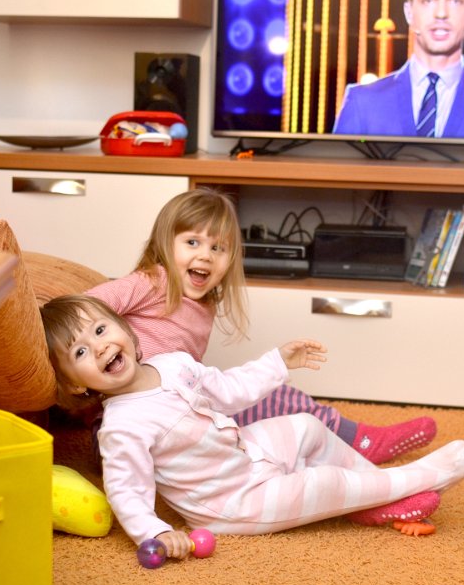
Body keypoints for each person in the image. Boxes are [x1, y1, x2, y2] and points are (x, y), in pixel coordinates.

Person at [41, 294, 464, 553]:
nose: (98, 348)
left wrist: (277, 362)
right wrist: (155, 532)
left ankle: (373, 498)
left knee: (305, 425)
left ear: (126, 331)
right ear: (76, 385)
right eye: (79, 353)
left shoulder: (172, 364)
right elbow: (127, 490)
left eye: (100, 331)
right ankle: (422, 477)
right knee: (321, 484)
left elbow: (230, 390)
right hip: (231, 504)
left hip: (247, 455)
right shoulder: (122, 427)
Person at [85, 188, 437, 466]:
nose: (205, 255)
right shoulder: (152, 280)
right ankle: (360, 441)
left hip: (176, 412)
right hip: (130, 419)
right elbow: (86, 309)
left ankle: (340, 445)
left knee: (267, 413)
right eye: (192, 242)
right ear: (165, 243)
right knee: (274, 399)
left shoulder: (205, 305)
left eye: (218, 248)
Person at [332, 0, 464, 140]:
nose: (441, 14)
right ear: (409, 12)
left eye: (455, 1)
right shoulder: (362, 102)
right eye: (428, 1)